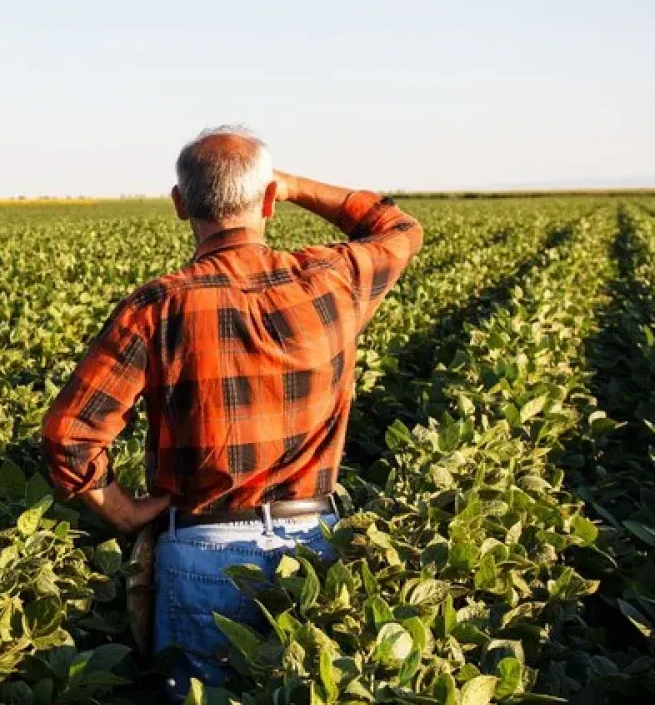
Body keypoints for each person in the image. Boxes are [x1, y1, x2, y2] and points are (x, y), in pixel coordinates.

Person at [40, 125, 424, 699]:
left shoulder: (156, 306)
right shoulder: (332, 279)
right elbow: (398, 228)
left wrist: (121, 512)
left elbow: (69, 435)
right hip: (313, 549)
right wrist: (294, 185)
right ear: (269, 200)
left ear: (179, 204)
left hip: (200, 551)